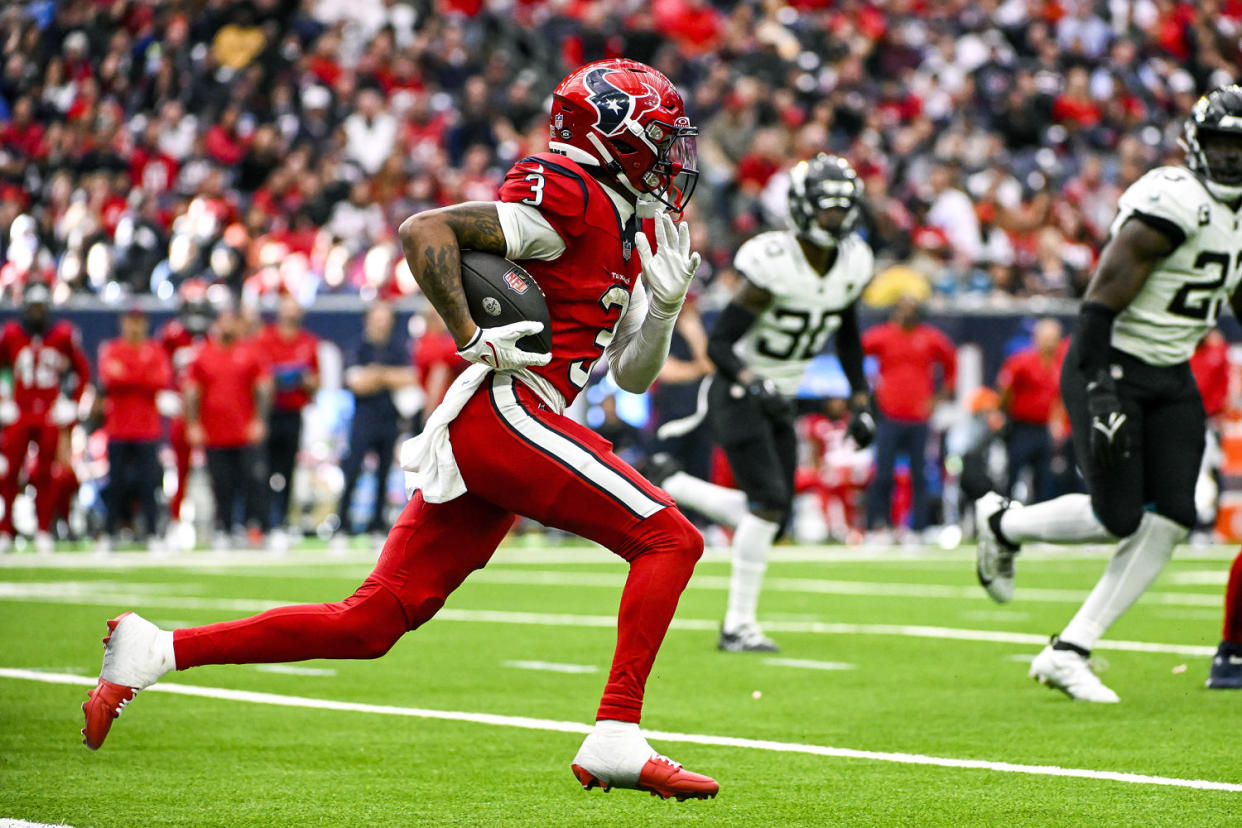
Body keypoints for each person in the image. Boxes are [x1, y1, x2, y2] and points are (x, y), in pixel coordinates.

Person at [82, 59, 718, 801]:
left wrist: (665, 309)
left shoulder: (627, 221)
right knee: (671, 538)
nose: (674, 156)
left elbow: (634, 377)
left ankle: (153, 651)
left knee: (373, 622)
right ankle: (615, 731)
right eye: (661, 137)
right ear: (614, 137)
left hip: (518, 421)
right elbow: (426, 232)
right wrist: (468, 333)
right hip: (507, 409)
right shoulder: (570, 194)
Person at [974, 86, 1242, 702]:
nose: (1229, 160)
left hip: (1172, 371)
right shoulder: (1172, 200)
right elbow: (1097, 303)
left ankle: (1070, 649)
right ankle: (1004, 523)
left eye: (1239, 148)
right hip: (1112, 364)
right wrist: (1098, 392)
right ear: (1196, 146)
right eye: (1221, 146)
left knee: (1173, 517)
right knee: (1118, 516)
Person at [651, 154, 876, 651]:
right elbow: (720, 345)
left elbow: (850, 340)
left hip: (784, 396)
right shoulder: (773, 261)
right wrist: (753, 382)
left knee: (772, 511)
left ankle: (675, 482)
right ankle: (737, 626)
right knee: (771, 504)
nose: (835, 220)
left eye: (842, 210)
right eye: (826, 210)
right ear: (800, 209)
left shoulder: (854, 262)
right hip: (738, 391)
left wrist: (862, 401)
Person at [0, 281, 91, 553]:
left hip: (50, 412)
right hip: (19, 410)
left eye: (42, 307)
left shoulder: (62, 335)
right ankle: (5, 528)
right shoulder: (11, 334)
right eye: (34, 307)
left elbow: (83, 372)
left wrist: (71, 403)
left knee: (46, 472)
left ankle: (43, 528)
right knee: (9, 471)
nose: (38, 313)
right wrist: (3, 399)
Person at [861, 295, 957, 536]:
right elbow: (855, 352)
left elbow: (952, 364)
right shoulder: (882, 335)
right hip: (889, 416)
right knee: (882, 474)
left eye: (911, 308)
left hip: (918, 417)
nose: (906, 313)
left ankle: (919, 528)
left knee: (919, 474)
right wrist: (864, 389)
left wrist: (938, 397)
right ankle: (876, 526)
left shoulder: (929, 337)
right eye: (902, 308)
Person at [183, 302, 272, 546]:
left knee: (254, 480)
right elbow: (192, 391)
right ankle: (225, 528)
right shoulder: (203, 354)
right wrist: (193, 424)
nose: (227, 325)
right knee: (221, 483)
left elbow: (263, 388)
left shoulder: (249, 352)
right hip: (215, 432)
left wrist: (260, 420)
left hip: (244, 430)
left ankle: (261, 528)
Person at [336, 301, 415, 538]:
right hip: (363, 419)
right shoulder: (357, 346)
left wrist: (376, 374)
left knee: (384, 474)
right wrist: (386, 376)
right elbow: (356, 383)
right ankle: (343, 522)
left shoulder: (398, 347)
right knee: (352, 470)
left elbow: (410, 378)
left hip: (389, 418)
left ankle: (378, 523)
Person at [97, 306, 172, 545]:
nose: (134, 326)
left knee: (149, 483)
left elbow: (159, 381)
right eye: (130, 321)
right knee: (115, 484)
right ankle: (110, 533)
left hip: (147, 429)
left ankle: (151, 533)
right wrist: (141, 375)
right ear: (122, 323)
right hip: (118, 428)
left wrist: (127, 375)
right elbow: (109, 378)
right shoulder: (112, 349)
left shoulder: (156, 351)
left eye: (139, 321)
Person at [252, 295, 319, 540]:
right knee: (263, 469)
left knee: (288, 469)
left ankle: (280, 521)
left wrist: (300, 379)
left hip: (293, 412)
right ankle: (263, 521)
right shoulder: (265, 338)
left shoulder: (308, 342)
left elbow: (315, 381)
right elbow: (260, 378)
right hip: (268, 413)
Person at [157, 280, 216, 547]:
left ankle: (218, 523)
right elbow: (158, 365)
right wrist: (165, 390)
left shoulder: (215, 337)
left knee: (219, 470)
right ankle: (175, 520)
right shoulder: (171, 335)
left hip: (212, 412)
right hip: (181, 410)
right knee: (178, 470)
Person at [996, 318, 1064, 503]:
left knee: (1044, 479)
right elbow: (1005, 389)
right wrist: (1005, 413)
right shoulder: (1022, 362)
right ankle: (1004, 514)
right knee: (1012, 474)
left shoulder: (1058, 367)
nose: (1050, 342)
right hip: (1021, 427)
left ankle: (1039, 521)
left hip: (1042, 429)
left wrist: (1056, 424)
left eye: (1054, 338)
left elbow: (1057, 399)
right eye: (1047, 337)